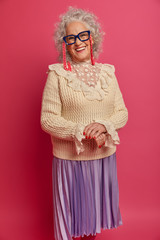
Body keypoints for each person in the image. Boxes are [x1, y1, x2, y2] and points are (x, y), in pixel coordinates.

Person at [40, 7, 128, 240]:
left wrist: (104, 125)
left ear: (93, 38)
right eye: (71, 38)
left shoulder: (108, 73)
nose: (78, 42)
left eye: (83, 35)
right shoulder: (57, 75)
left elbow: (121, 112)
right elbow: (47, 119)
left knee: (92, 224)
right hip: (71, 161)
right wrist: (81, 131)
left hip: (103, 160)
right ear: (65, 44)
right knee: (71, 224)